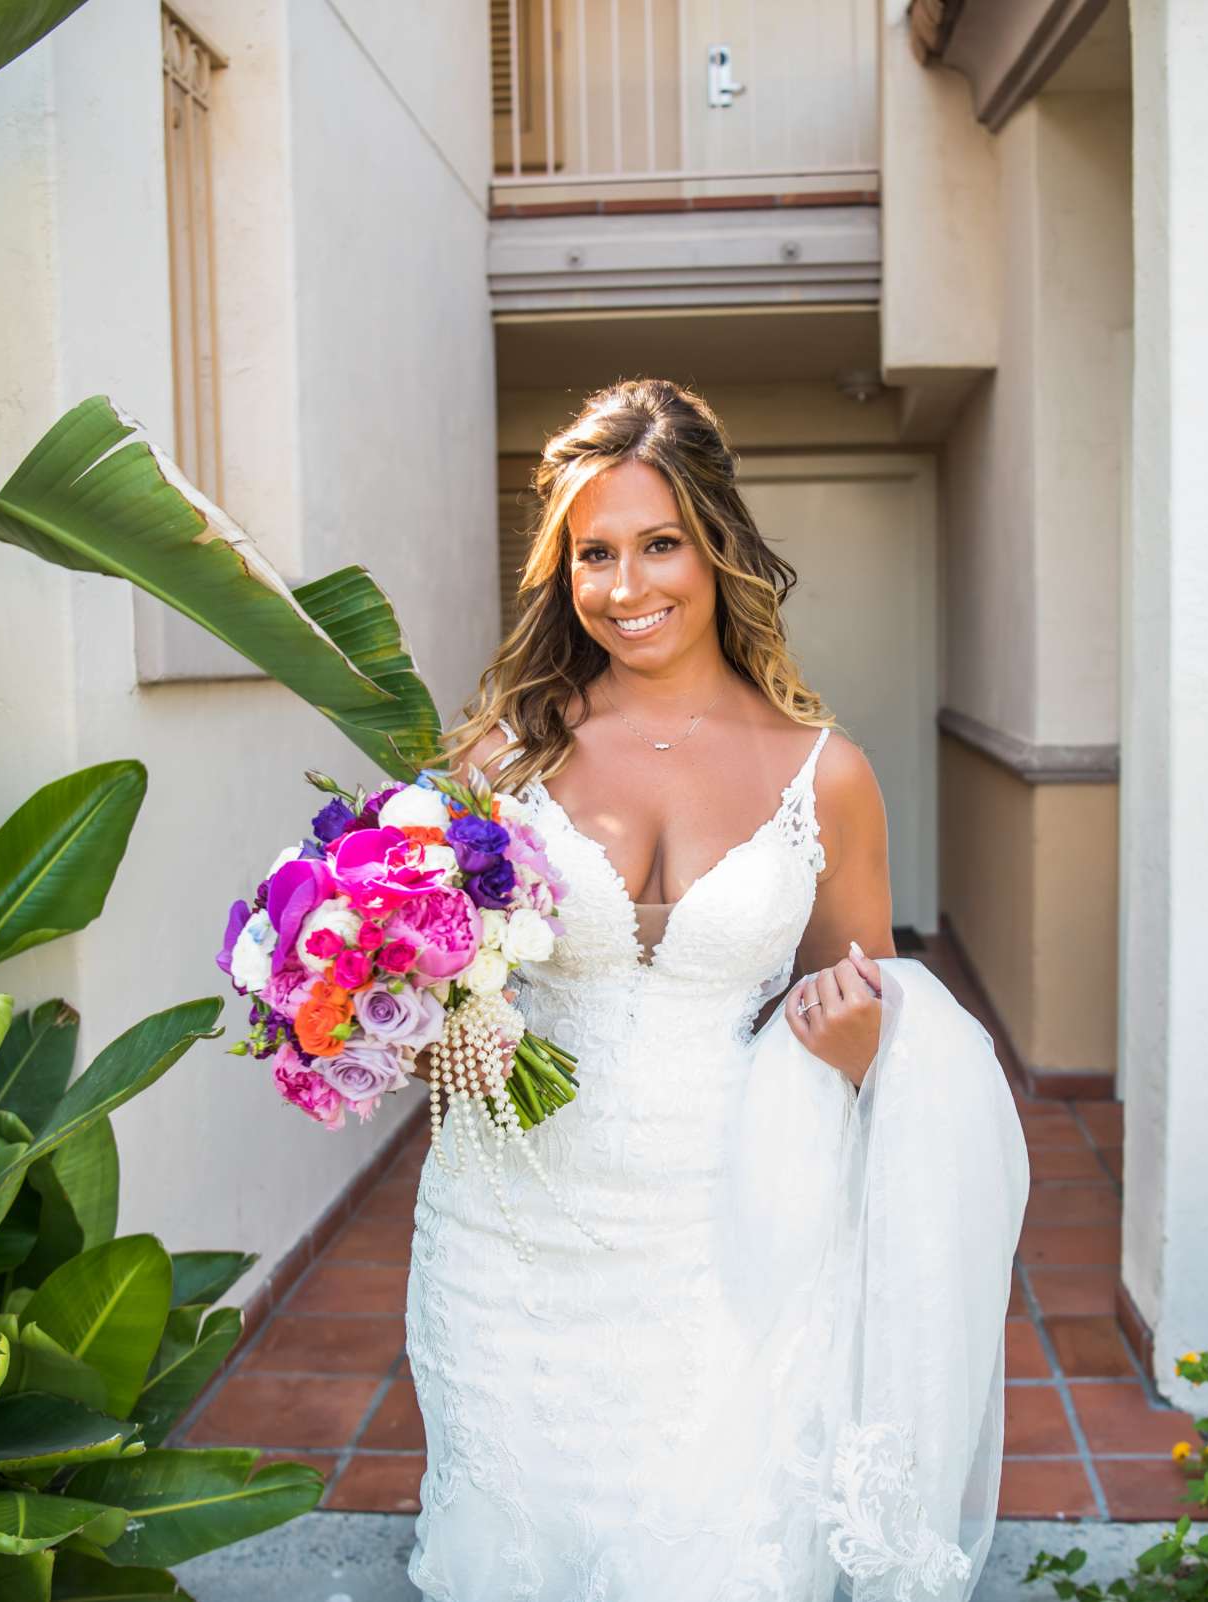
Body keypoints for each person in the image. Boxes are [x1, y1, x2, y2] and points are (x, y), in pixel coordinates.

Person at [402, 379, 1028, 1600]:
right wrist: (435, 1030)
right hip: (511, 1222)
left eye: (658, 545)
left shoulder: (825, 775)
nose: (626, 588)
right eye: (594, 555)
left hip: (723, 1230)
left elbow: (863, 1003)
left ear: (718, 545)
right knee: (518, 1534)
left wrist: (856, 1048)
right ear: (561, 569)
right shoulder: (500, 755)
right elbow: (434, 982)